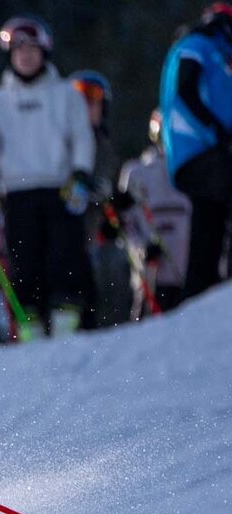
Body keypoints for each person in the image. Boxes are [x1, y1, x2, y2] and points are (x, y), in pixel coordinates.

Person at [0, 15, 96, 337]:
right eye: (19, 51)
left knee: (65, 258)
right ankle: (31, 329)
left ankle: (67, 324)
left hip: (60, 190)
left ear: (44, 52)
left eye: (32, 49)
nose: (26, 56)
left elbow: (82, 137)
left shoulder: (66, 94)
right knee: (24, 263)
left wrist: (81, 172)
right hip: (16, 194)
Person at [159, 3, 232, 301]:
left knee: (208, 224)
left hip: (205, 153)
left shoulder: (215, 52)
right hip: (200, 149)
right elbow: (186, 89)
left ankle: (200, 296)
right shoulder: (199, 45)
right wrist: (216, 131)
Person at [69, 71, 128, 328]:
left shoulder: (104, 147)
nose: (85, 110)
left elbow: (109, 190)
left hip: (95, 237)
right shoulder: (61, 146)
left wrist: (114, 205)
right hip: (69, 236)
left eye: (93, 103)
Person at [118, 109, 191, 313]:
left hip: (186, 276)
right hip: (150, 278)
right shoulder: (137, 172)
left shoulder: (193, 173)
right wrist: (142, 248)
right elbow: (126, 224)